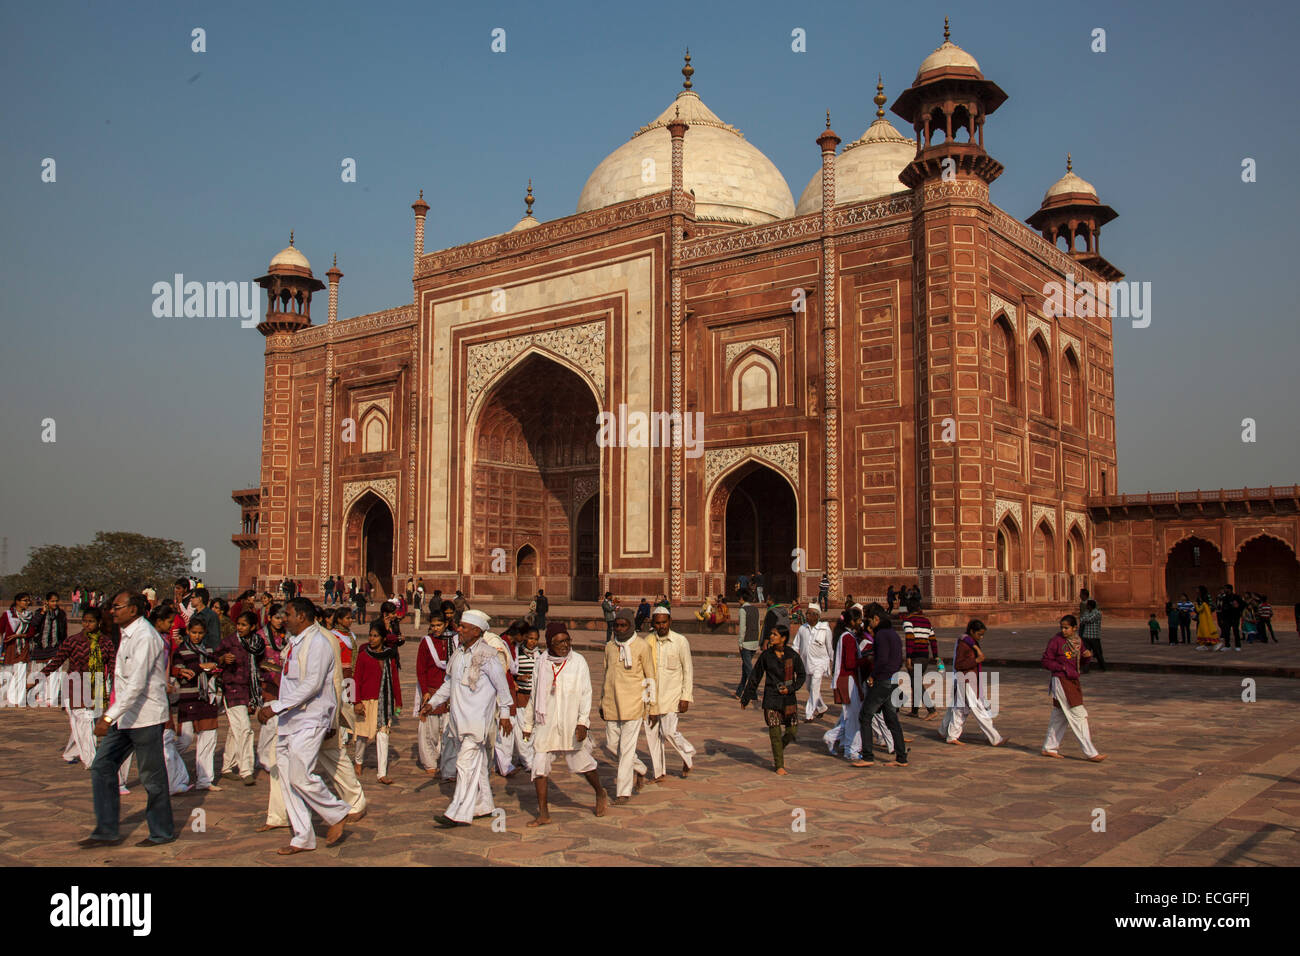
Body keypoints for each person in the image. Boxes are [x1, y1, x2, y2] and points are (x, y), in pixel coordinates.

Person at [255, 597, 349, 854]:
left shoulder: (318, 643)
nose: (284, 618)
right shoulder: (296, 642)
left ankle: (337, 811)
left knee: (300, 775)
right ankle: (303, 836)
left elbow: (312, 685)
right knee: (288, 779)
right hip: (290, 720)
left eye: (289, 614)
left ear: (302, 617)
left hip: (310, 718)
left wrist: (274, 707)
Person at [82, 591, 176, 848]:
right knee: (102, 767)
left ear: (133, 610)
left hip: (145, 717)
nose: (112, 611)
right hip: (125, 718)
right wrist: (114, 715)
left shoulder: (145, 637)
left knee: (151, 778)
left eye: (117, 607)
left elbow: (136, 685)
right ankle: (106, 830)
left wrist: (108, 716)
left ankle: (161, 831)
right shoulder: (126, 633)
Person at [428, 608, 513, 828]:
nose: (459, 629)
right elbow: (450, 683)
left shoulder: (488, 656)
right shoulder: (459, 653)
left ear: (476, 631)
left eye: (464, 627)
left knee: (464, 765)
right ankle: (484, 804)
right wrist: (432, 703)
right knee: (478, 764)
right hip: (459, 720)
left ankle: (458, 812)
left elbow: (502, 688)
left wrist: (504, 714)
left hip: (477, 721)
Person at [522, 623, 607, 826]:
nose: (565, 645)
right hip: (546, 722)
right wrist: (527, 724)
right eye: (559, 642)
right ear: (549, 643)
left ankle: (599, 792)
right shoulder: (541, 662)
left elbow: (586, 693)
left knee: (582, 763)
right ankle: (543, 813)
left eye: (567, 640)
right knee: (539, 766)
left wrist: (582, 722)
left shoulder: (578, 662)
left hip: (570, 722)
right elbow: (534, 696)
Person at [32, 606, 122, 783]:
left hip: (96, 686)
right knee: (84, 721)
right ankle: (92, 761)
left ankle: (70, 753)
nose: (87, 624)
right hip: (75, 685)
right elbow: (57, 661)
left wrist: (116, 687)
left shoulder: (106, 643)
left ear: (99, 623)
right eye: (85, 621)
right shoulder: (73, 641)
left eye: (91, 621)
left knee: (87, 724)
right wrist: (38, 677)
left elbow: (112, 667)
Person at [600, 608, 654, 802]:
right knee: (613, 745)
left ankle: (623, 791)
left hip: (634, 704)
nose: (620, 629)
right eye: (617, 625)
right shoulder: (610, 647)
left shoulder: (641, 646)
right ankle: (640, 768)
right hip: (612, 703)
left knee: (627, 749)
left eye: (624, 625)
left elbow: (650, 677)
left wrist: (651, 707)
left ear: (632, 626)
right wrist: (601, 701)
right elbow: (606, 675)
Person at [740, 624, 806, 775]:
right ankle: (779, 765)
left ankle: (778, 749)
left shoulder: (792, 655)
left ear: (783, 638)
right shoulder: (766, 656)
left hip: (788, 699)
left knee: (792, 731)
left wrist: (791, 688)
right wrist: (746, 698)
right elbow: (755, 677)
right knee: (775, 733)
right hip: (771, 698)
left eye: (775, 635)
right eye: (771, 634)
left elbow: (801, 675)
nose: (771, 637)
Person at [1040, 614, 1105, 762]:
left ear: (1075, 628)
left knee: (1060, 716)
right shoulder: (1056, 641)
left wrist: (1087, 657)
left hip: (1072, 679)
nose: (1064, 630)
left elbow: (1079, 661)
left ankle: (1049, 747)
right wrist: (1061, 667)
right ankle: (1090, 752)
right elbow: (1046, 661)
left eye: (1066, 628)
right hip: (1061, 680)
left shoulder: (1077, 642)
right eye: (1062, 628)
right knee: (1078, 714)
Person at [643, 604, 695, 781]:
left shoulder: (680, 641)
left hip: (672, 695)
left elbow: (688, 670)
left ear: (670, 621)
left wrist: (686, 696)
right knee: (652, 735)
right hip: (652, 696)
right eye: (657, 623)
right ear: (653, 623)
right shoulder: (647, 642)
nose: (661, 626)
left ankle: (687, 754)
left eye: (664, 622)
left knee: (668, 732)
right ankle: (659, 772)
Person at [852, 604, 908, 767]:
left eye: (870, 620)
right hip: (892, 679)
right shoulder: (894, 635)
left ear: (876, 619)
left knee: (865, 715)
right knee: (891, 719)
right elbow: (898, 660)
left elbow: (882, 659)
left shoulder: (882, 635)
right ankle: (901, 757)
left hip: (882, 681)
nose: (869, 624)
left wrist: (873, 676)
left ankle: (868, 756)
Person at [173, 616, 223, 791]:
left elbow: (216, 667)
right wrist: (201, 668)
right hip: (188, 699)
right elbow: (181, 673)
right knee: (184, 741)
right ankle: (167, 768)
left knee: (208, 738)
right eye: (194, 632)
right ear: (187, 632)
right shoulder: (181, 651)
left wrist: (215, 669)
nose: (197, 636)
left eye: (200, 633)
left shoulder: (209, 650)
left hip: (206, 699)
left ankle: (205, 780)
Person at [216, 610, 263, 785]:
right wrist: (222, 658)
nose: (240, 628)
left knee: (235, 730)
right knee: (244, 728)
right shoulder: (230, 642)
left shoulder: (257, 644)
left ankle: (227, 766)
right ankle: (246, 770)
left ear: (252, 627)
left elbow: (259, 665)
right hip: (232, 687)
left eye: (244, 625)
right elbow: (214, 656)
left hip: (248, 690)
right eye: (239, 624)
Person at [352, 621, 401, 784]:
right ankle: (358, 761)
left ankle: (382, 773)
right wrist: (356, 701)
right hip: (366, 700)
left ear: (382, 638)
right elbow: (356, 680)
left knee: (382, 736)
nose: (372, 639)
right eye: (370, 635)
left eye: (375, 636)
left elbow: (395, 680)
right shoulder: (363, 655)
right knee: (362, 736)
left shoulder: (389, 656)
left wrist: (398, 701)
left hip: (384, 701)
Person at [943, 619, 1005, 747]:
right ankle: (995, 738)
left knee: (960, 709)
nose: (981, 637)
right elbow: (959, 664)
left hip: (970, 680)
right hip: (966, 680)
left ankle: (950, 734)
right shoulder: (964, 644)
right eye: (979, 634)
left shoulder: (970, 642)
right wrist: (976, 660)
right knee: (979, 710)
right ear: (972, 631)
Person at [824, 612, 863, 762]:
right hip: (848, 680)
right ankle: (850, 749)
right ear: (852, 621)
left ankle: (837, 740)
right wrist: (866, 660)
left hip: (847, 679)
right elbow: (850, 663)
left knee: (849, 716)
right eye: (858, 619)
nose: (860, 622)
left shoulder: (847, 636)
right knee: (853, 717)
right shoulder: (848, 638)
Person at [416, 616, 451, 774]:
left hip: (449, 690)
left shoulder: (452, 641)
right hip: (431, 689)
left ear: (446, 624)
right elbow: (421, 668)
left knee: (448, 730)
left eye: (439, 625)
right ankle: (430, 762)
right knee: (429, 730)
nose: (436, 628)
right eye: (433, 625)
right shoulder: (427, 642)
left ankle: (446, 761)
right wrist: (425, 691)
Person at [792, 604, 832, 721]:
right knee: (810, 687)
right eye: (807, 613)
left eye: (809, 614)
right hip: (806, 663)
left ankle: (809, 714)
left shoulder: (825, 629)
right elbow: (795, 646)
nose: (807, 616)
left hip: (820, 663)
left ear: (816, 616)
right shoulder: (802, 629)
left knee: (814, 687)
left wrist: (834, 663)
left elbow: (830, 648)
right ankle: (821, 707)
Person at [29, 591, 69, 706]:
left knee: (55, 673)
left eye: (56, 601)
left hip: (55, 647)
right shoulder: (39, 612)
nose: (54, 603)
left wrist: (63, 646)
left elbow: (63, 631)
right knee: (40, 672)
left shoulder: (61, 614)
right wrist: (42, 612)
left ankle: (51, 698)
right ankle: (39, 695)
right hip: (40, 647)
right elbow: (33, 624)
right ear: (46, 602)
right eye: (52, 601)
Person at [901, 600, 939, 720]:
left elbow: (909, 639)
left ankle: (931, 709)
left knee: (916, 683)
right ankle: (914, 711)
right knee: (916, 681)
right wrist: (936, 656)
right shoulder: (927, 621)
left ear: (908, 610)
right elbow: (933, 640)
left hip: (915, 657)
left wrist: (908, 657)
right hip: (925, 656)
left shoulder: (908, 621)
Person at [1, 592, 34, 708]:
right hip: (10, 647)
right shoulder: (8, 615)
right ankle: (8, 698)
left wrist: (19, 636)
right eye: (25, 600)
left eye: (28, 600)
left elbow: (31, 632)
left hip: (23, 647)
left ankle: (18, 700)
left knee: (21, 672)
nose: (27, 602)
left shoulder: (29, 615)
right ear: (17, 602)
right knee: (9, 674)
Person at [733, 590, 760, 698]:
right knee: (745, 668)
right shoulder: (755, 609)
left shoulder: (742, 610)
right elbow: (758, 626)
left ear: (741, 599)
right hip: (754, 641)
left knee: (749, 669)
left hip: (746, 643)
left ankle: (753, 693)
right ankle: (739, 692)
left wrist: (740, 643)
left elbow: (742, 628)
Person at [1079, 599, 1105, 671]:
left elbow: (1089, 620)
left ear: (1090, 606)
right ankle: (1086, 668)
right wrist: (1084, 619)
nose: (1086, 606)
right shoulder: (1086, 612)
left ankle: (1103, 667)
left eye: (1087, 605)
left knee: (1098, 653)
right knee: (1086, 653)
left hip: (1094, 636)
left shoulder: (1097, 613)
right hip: (1086, 636)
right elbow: (1081, 620)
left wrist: (1084, 619)